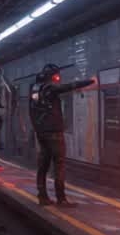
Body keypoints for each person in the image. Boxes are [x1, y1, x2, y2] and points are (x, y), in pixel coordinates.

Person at [29, 64, 94, 206]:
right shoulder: (50, 88)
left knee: (43, 165)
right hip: (54, 132)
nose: (58, 78)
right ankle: (61, 199)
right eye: (56, 76)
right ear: (52, 75)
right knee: (59, 165)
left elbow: (32, 111)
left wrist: (37, 128)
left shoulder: (35, 89)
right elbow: (68, 87)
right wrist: (91, 81)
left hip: (41, 133)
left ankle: (42, 196)